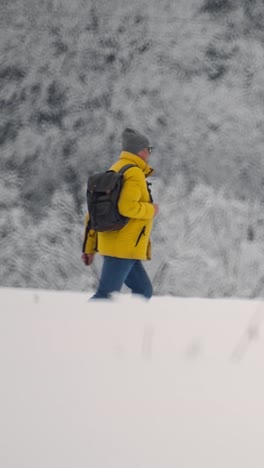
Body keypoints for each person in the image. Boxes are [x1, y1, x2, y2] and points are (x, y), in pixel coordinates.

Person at [81, 127, 159, 299]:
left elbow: (92, 214)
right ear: (141, 151)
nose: (150, 154)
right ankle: (80, 322)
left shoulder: (115, 169)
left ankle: (128, 325)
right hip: (124, 247)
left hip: (118, 244)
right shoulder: (134, 173)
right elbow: (127, 207)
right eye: (149, 150)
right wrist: (151, 210)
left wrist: (89, 247)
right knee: (106, 295)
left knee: (143, 290)